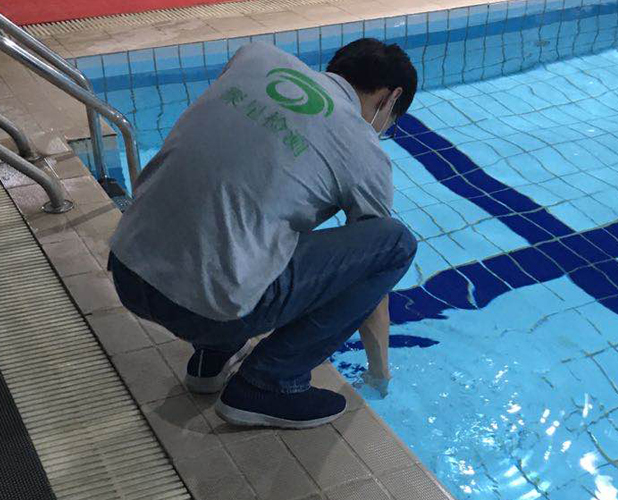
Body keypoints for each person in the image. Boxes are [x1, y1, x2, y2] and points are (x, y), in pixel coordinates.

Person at [108, 38, 418, 429]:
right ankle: (269, 383)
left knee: (252, 215)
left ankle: (214, 355)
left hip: (126, 267)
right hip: (202, 310)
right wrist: (379, 372)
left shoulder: (255, 56)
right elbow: (371, 273)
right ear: (390, 98)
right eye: (391, 122)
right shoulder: (363, 148)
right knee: (395, 243)